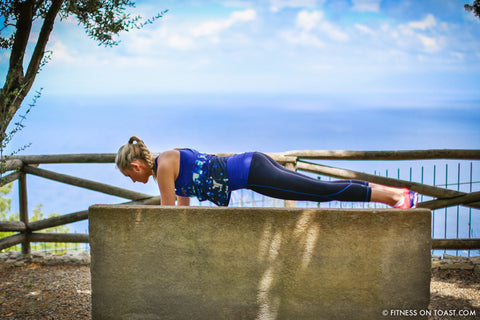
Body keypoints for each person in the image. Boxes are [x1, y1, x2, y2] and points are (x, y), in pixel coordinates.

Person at [115, 136, 418, 208]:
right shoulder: (166, 166)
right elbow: (182, 208)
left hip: (252, 172)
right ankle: (395, 193)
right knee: (316, 186)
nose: (133, 179)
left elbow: (168, 215)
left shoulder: (165, 166)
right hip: (253, 169)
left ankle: (392, 198)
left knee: (318, 191)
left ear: (137, 165)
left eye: (130, 175)